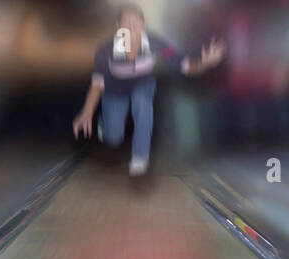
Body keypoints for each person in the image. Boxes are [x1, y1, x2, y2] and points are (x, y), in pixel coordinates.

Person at [72, 4, 226, 176]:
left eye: (136, 22)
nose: (131, 27)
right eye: (126, 22)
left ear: (143, 25)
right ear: (118, 27)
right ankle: (104, 126)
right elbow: (97, 84)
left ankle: (140, 157)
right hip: (114, 90)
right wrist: (87, 111)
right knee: (113, 137)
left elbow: (184, 65)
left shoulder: (156, 43)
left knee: (142, 101)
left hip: (142, 84)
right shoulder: (105, 50)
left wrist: (204, 63)